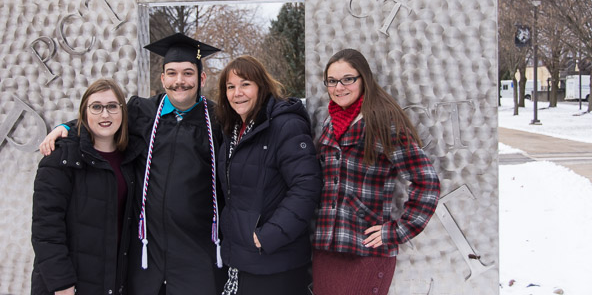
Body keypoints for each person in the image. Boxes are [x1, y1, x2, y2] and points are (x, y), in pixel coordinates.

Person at [39, 33, 227, 295]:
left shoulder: (217, 121)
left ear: (201, 78)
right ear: (162, 78)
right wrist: (66, 128)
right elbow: (105, 119)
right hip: (145, 256)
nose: (179, 81)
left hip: (196, 256)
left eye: (187, 73)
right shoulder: (142, 112)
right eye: (171, 73)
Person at [311, 49, 440, 295]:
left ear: (364, 80)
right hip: (327, 249)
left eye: (348, 79)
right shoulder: (330, 122)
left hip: (366, 251)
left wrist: (397, 230)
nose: (339, 87)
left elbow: (427, 182)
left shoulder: (383, 123)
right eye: (332, 81)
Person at [215, 56, 322, 295]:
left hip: (275, 261)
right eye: (230, 87)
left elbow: (307, 186)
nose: (237, 93)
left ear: (261, 86)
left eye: (245, 84)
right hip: (240, 258)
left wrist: (270, 235)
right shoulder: (233, 130)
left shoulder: (285, 125)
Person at [31, 78, 141, 295]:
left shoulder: (131, 157)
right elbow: (46, 228)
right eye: (96, 107)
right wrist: (62, 285)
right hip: (68, 285)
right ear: (84, 112)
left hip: (111, 281)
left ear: (123, 111)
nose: (105, 114)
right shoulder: (62, 157)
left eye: (112, 106)